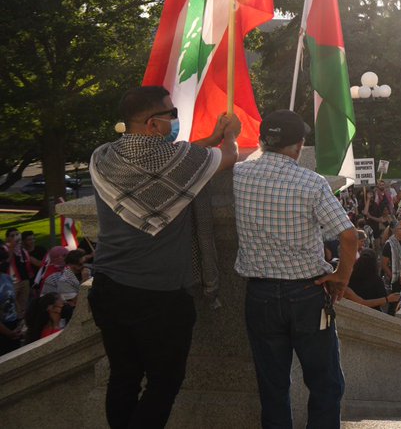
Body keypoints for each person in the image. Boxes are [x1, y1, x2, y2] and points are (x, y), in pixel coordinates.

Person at [88, 86, 239, 429]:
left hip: (107, 289)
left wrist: (210, 137)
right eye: (171, 114)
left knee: (123, 377)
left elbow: (178, 160)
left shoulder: (103, 156)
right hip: (159, 299)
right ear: (154, 124)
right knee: (164, 383)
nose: (175, 120)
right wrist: (228, 136)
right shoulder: (175, 160)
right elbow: (227, 157)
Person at [232, 109, 357, 429]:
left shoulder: (240, 174)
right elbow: (348, 235)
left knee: (272, 387)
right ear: (299, 145)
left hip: (258, 295)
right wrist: (341, 277)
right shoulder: (311, 182)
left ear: (261, 139)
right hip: (307, 294)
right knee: (325, 383)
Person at [0, 246, 23, 355]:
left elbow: (13, 299)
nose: (4, 263)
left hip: (14, 325)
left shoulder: (6, 277)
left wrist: (20, 321)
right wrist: (9, 333)